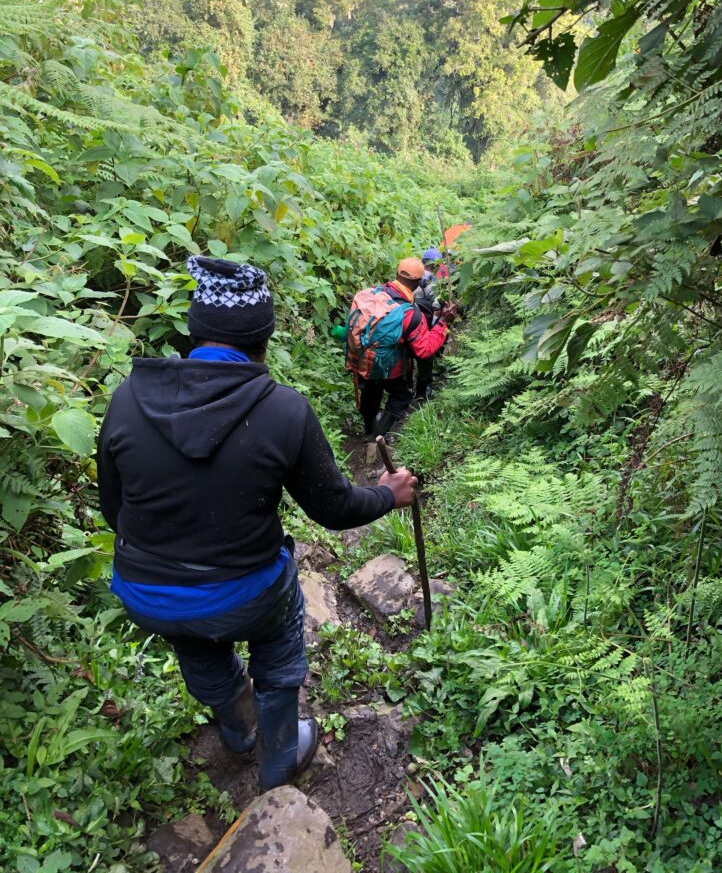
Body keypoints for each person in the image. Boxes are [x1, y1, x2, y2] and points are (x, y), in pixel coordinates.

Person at [97, 255, 418, 792]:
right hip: (247, 591)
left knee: (194, 639)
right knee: (277, 631)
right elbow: (333, 509)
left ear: (194, 330)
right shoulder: (282, 410)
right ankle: (279, 760)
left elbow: (114, 509)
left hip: (146, 591)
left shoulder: (127, 399)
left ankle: (238, 730)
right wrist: (388, 492)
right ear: (263, 338)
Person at [348, 257, 457, 437]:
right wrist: (443, 322)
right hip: (391, 368)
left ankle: (368, 430)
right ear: (418, 282)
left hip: (363, 361)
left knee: (371, 394)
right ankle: (378, 434)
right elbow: (425, 350)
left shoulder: (371, 294)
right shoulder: (410, 314)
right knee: (401, 397)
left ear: (397, 274)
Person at [413, 249, 444, 400]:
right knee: (425, 359)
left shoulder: (413, 278)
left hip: (411, 323)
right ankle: (421, 392)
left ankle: (408, 389)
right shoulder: (437, 283)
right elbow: (437, 308)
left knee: (408, 357)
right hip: (426, 324)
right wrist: (433, 326)